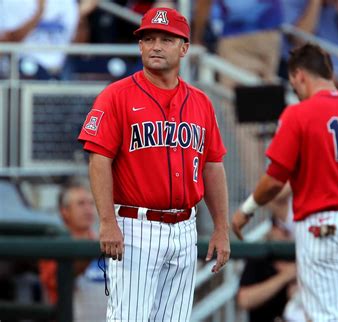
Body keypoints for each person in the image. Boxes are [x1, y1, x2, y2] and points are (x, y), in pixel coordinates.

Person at [231, 43, 338, 322]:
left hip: (321, 226)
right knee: (337, 310)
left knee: (326, 317)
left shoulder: (298, 114)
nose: (296, 90)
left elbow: (275, 181)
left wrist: (246, 210)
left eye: (294, 83)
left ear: (300, 75)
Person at [77, 7, 230, 322]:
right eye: (148, 39)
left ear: (184, 47)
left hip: (186, 227)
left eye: (165, 39)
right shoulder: (115, 96)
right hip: (135, 226)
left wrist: (221, 227)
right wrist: (107, 221)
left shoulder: (201, 102)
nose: (155, 46)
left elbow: (213, 164)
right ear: (140, 46)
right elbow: (99, 159)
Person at [39, 180, 107, 321]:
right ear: (65, 211)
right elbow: (54, 283)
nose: (88, 209)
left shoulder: (106, 243)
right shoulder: (53, 246)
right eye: (81, 203)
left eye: (91, 203)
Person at [237, 215, 297, 322]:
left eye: (288, 231)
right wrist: (285, 277)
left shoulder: (301, 258)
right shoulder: (260, 258)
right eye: (281, 228)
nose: (284, 234)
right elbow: (244, 300)